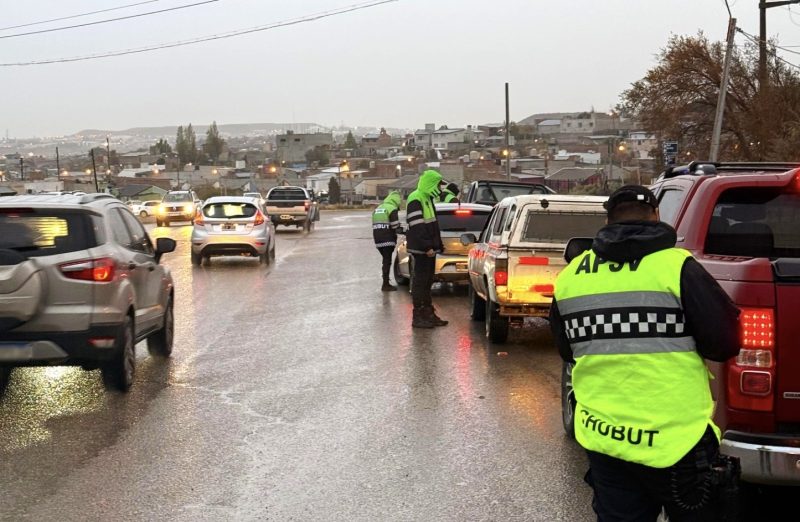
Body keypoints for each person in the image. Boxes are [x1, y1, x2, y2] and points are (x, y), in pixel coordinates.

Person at [549, 185, 740, 521]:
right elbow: (724, 342)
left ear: (607, 221)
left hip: (606, 439)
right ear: (656, 216)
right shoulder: (676, 267)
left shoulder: (571, 277)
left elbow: (568, 350)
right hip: (677, 440)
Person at [405, 169, 448, 328]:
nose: (440, 188)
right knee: (420, 282)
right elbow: (417, 226)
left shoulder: (427, 199)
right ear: (431, 183)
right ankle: (418, 316)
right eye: (438, 185)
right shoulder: (416, 198)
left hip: (429, 249)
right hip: (421, 250)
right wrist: (428, 246)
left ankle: (428, 313)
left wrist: (438, 245)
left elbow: (433, 225)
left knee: (428, 281)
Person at [371, 190, 403, 292]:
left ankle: (385, 282)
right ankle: (385, 284)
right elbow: (394, 225)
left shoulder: (379, 208)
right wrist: (402, 229)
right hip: (388, 238)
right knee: (387, 261)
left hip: (377, 238)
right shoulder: (392, 208)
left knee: (385, 260)